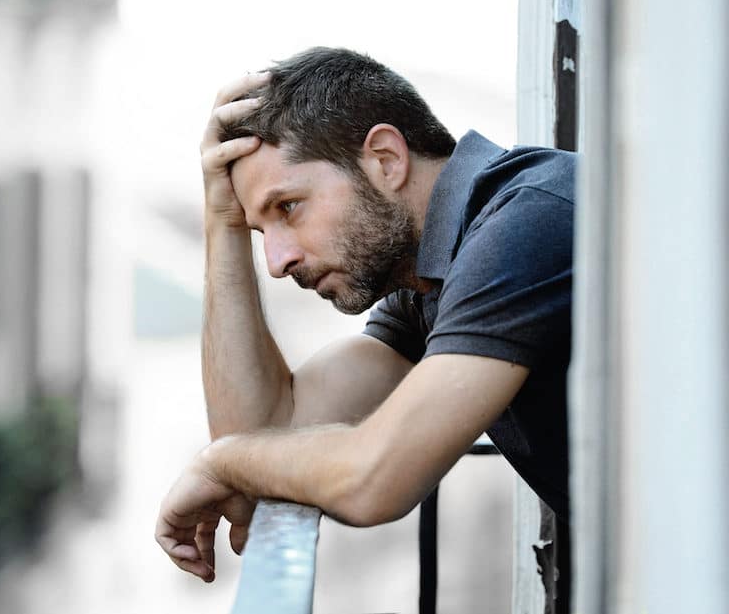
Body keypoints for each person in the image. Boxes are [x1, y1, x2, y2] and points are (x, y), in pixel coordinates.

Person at [154, 47, 574, 585]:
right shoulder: (431, 283)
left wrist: (221, 462)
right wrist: (222, 222)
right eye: (260, 232)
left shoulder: (521, 226)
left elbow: (375, 479)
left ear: (386, 159)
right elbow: (268, 433)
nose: (278, 263)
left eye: (288, 207)